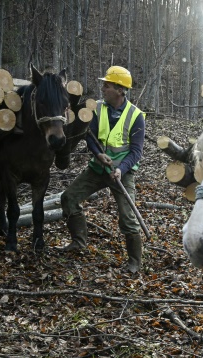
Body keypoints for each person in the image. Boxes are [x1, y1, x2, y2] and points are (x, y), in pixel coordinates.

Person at [60, 65, 146, 273]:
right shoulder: (97, 108)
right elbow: (88, 135)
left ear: (120, 89)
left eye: (107, 85)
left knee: (128, 217)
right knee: (68, 198)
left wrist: (121, 169)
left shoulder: (136, 116)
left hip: (122, 174)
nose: (103, 88)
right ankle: (78, 242)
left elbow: (136, 151)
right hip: (98, 169)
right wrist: (98, 154)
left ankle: (135, 261)